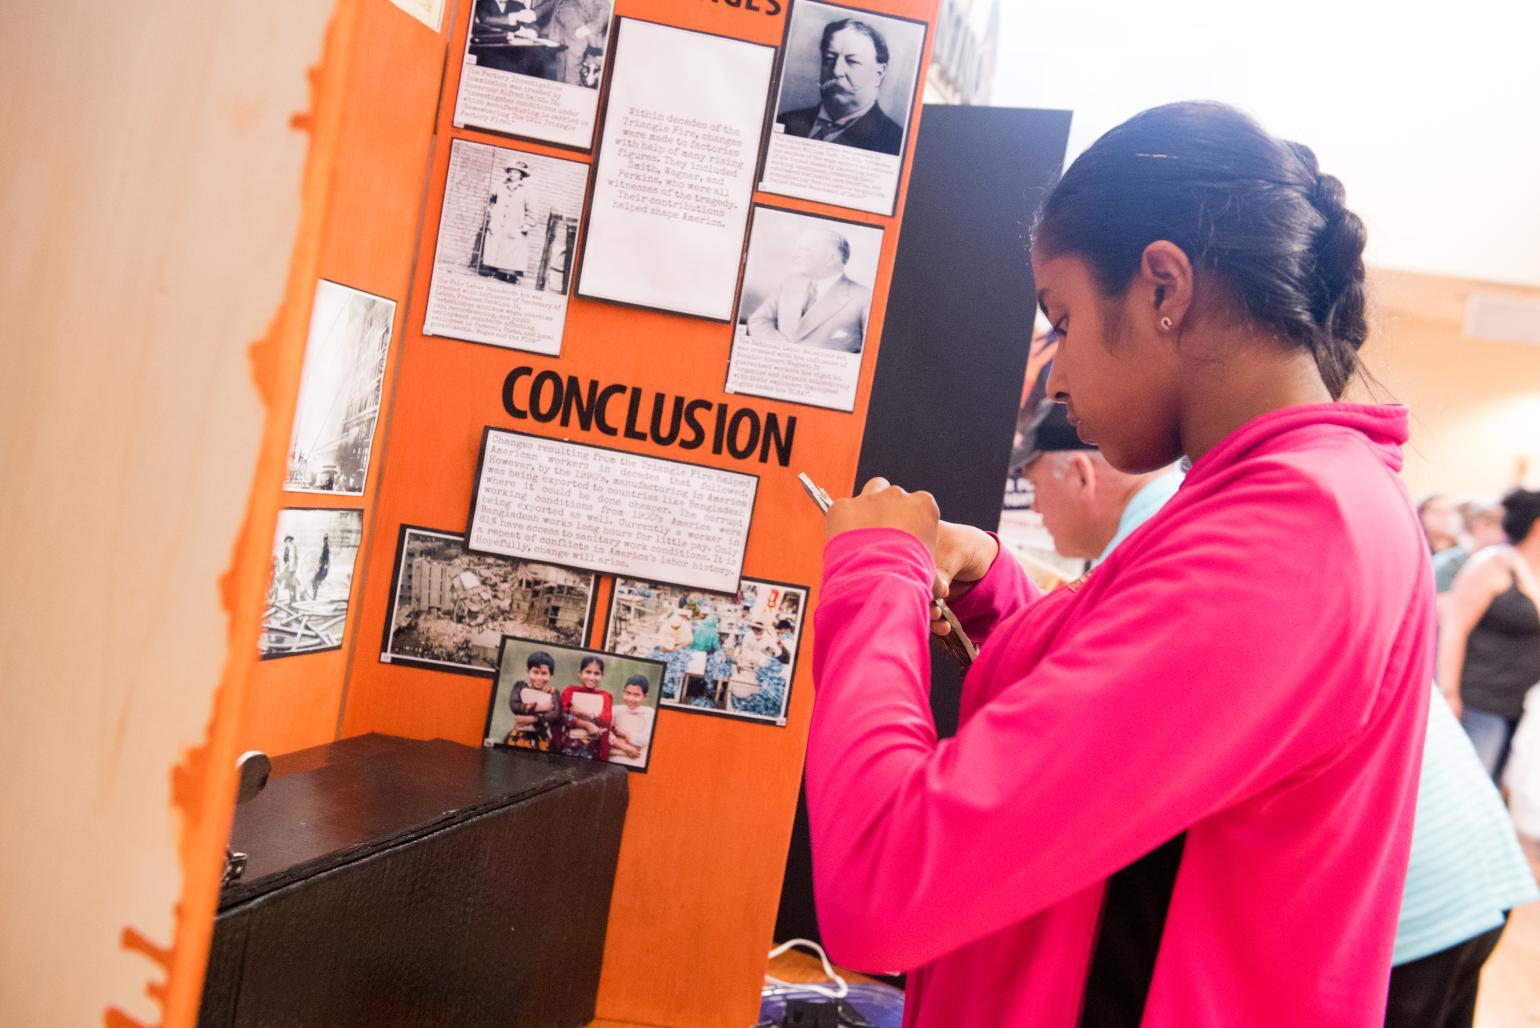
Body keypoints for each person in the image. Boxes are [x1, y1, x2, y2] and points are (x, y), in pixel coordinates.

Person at [806, 102, 1433, 1025]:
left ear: (1163, 287)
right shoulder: (1279, 499)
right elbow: (1136, 736)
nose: (1052, 377)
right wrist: (990, 592)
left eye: (1060, 321)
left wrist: (873, 575)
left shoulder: (1295, 531)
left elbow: (887, 880)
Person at [1022, 402, 1537, 1028]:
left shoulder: (1177, 532)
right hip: (1453, 861)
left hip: (1410, 895)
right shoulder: (1201, 513)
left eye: (1033, 486)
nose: (1035, 510)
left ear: (1078, 474)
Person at [1438, 487, 1540, 779]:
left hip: (1522, 704)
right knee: (1471, 785)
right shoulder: (1491, 565)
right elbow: (1454, 630)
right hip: (1480, 701)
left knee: (1499, 787)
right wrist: (1450, 693)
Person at [1017, 398, 1183, 566]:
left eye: (1034, 484)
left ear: (1082, 477)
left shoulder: (1148, 560)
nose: (1034, 507)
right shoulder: (1174, 525)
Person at [777, 19, 904, 156]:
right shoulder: (786, 122)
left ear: (879, 74)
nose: (837, 71)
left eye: (852, 61)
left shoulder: (895, 142)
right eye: (829, 59)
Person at [747, 228, 870, 352]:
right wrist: (782, 347)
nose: (794, 255)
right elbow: (758, 321)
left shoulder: (864, 298)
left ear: (831, 259)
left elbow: (870, 352)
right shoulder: (789, 284)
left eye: (805, 250)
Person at [1433, 500, 1506, 593]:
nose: (1505, 535)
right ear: (1480, 525)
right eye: (1501, 527)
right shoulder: (1450, 564)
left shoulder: (1501, 562)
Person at [479, 160, 533, 284]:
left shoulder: (527, 190)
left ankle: (509, 275)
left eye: (515, 172)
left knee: (512, 248)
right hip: (499, 221)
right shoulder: (500, 185)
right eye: (510, 172)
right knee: (496, 244)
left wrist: (528, 223)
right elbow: (492, 199)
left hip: (515, 222)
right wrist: (491, 210)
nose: (512, 174)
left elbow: (532, 208)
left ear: (521, 175)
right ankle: (495, 270)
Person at [504, 650, 562, 750]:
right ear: (528, 671)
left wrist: (532, 719)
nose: (539, 678)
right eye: (535, 672)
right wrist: (540, 707)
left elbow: (556, 714)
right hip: (518, 738)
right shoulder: (520, 687)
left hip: (542, 741)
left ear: (550, 675)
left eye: (544, 673)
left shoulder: (553, 692)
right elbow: (515, 705)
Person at [558, 655, 612, 761]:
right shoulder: (569, 692)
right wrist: (586, 724)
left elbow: (606, 722)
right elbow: (560, 717)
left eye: (596, 673)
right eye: (588, 672)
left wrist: (582, 713)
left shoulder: (605, 696)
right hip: (569, 747)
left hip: (593, 751)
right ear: (580, 673)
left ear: (602, 675)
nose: (592, 677)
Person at [608, 674, 655, 769]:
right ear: (623, 692)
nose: (630, 698)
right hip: (613, 760)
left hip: (637, 762)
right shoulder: (615, 710)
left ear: (645, 697)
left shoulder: (650, 713)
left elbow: (645, 739)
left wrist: (623, 733)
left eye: (636, 695)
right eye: (627, 693)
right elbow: (605, 733)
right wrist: (625, 747)